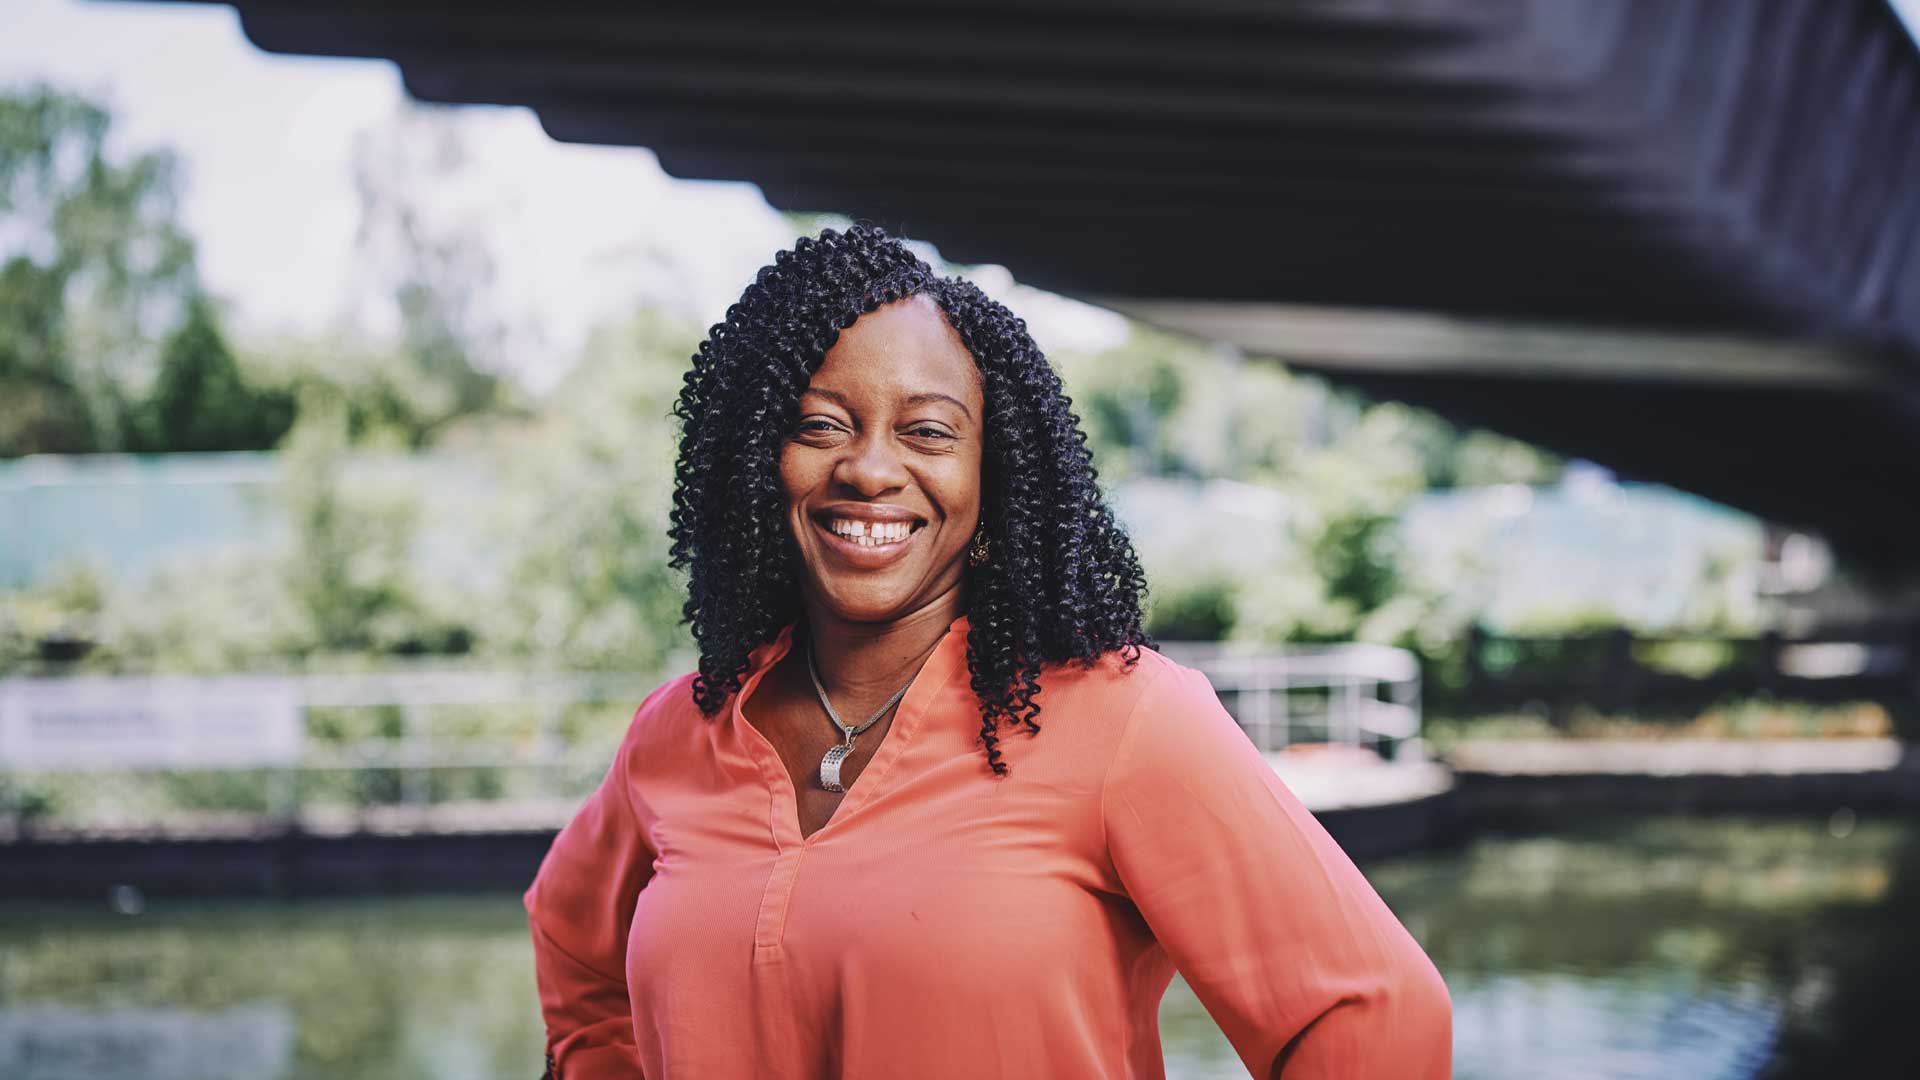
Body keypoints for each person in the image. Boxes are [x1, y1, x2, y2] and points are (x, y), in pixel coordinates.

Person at [523, 223, 1452, 1079]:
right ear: (756, 457)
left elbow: (1371, 1014)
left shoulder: (1121, 717)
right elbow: (576, 953)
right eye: (819, 424)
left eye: (927, 431)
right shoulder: (678, 732)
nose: (871, 469)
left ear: (992, 472)